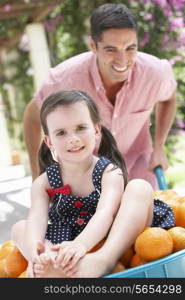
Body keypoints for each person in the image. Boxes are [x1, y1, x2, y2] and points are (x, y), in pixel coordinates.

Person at [11, 90, 174, 278]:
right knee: (20, 228)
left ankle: (103, 260)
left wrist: (82, 243)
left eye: (80, 127)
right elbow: (37, 218)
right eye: (61, 133)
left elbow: (106, 212)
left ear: (96, 131)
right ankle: (48, 261)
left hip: (114, 235)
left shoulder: (109, 172)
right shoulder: (43, 183)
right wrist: (34, 249)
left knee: (140, 187)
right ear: (49, 142)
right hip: (67, 243)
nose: (73, 138)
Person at [24, 3, 177, 188]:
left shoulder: (155, 73)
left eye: (130, 48)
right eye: (111, 49)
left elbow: (168, 99)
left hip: (139, 172)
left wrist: (159, 146)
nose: (123, 60)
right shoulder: (63, 80)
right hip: (87, 180)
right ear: (93, 46)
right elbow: (32, 117)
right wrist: (37, 177)